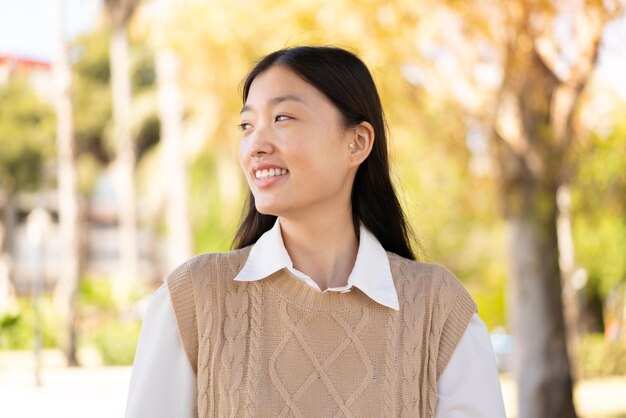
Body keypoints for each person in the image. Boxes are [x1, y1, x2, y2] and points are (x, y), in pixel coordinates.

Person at [125, 46, 506, 418]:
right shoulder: (193, 299)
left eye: (283, 118)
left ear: (356, 143)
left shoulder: (438, 310)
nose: (255, 145)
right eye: (247, 125)